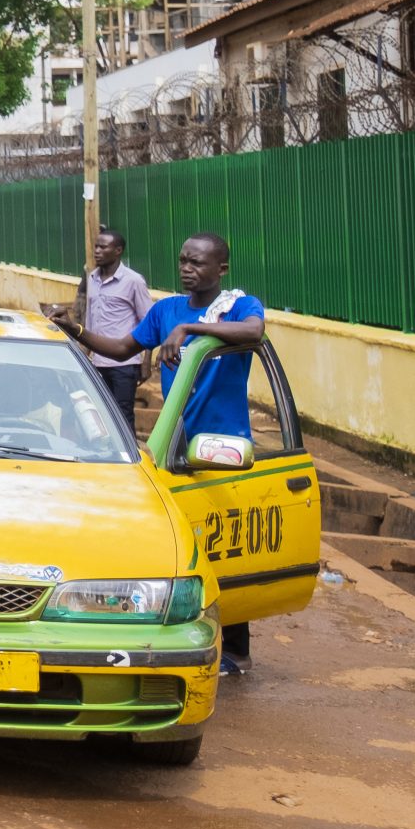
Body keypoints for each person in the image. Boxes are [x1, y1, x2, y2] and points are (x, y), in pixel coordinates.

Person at [84, 232, 267, 677]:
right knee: (177, 547)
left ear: (221, 268)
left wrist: (192, 328)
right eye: (183, 260)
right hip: (174, 447)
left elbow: (254, 332)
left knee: (224, 551)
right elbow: (124, 349)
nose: (187, 268)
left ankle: (236, 651)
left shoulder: (239, 306)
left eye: (198, 263)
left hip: (221, 450)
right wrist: (77, 332)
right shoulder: (165, 310)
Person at [44, 227, 153, 432]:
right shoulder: (92, 278)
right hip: (98, 361)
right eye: (96, 246)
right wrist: (84, 355)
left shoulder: (133, 281)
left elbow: (148, 323)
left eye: (103, 247)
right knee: (98, 412)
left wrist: (145, 361)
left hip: (125, 362)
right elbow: (91, 322)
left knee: (122, 413)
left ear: (118, 250)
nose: (97, 251)